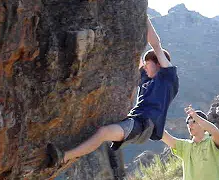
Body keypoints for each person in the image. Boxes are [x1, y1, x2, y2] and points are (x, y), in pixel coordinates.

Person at [45, 18, 179, 168]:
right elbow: (137, 59)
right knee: (100, 130)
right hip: (134, 120)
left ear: (159, 64)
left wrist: (143, 17)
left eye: (149, 65)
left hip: (143, 125)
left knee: (103, 133)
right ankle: (64, 157)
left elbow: (156, 45)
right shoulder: (147, 78)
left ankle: (63, 157)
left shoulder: (168, 78)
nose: (146, 68)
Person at [161, 105, 219, 180]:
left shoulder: (211, 142)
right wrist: (152, 123)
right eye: (188, 122)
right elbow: (165, 137)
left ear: (202, 123)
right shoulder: (185, 146)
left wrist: (196, 117)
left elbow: (215, 132)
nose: (189, 125)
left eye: (194, 121)